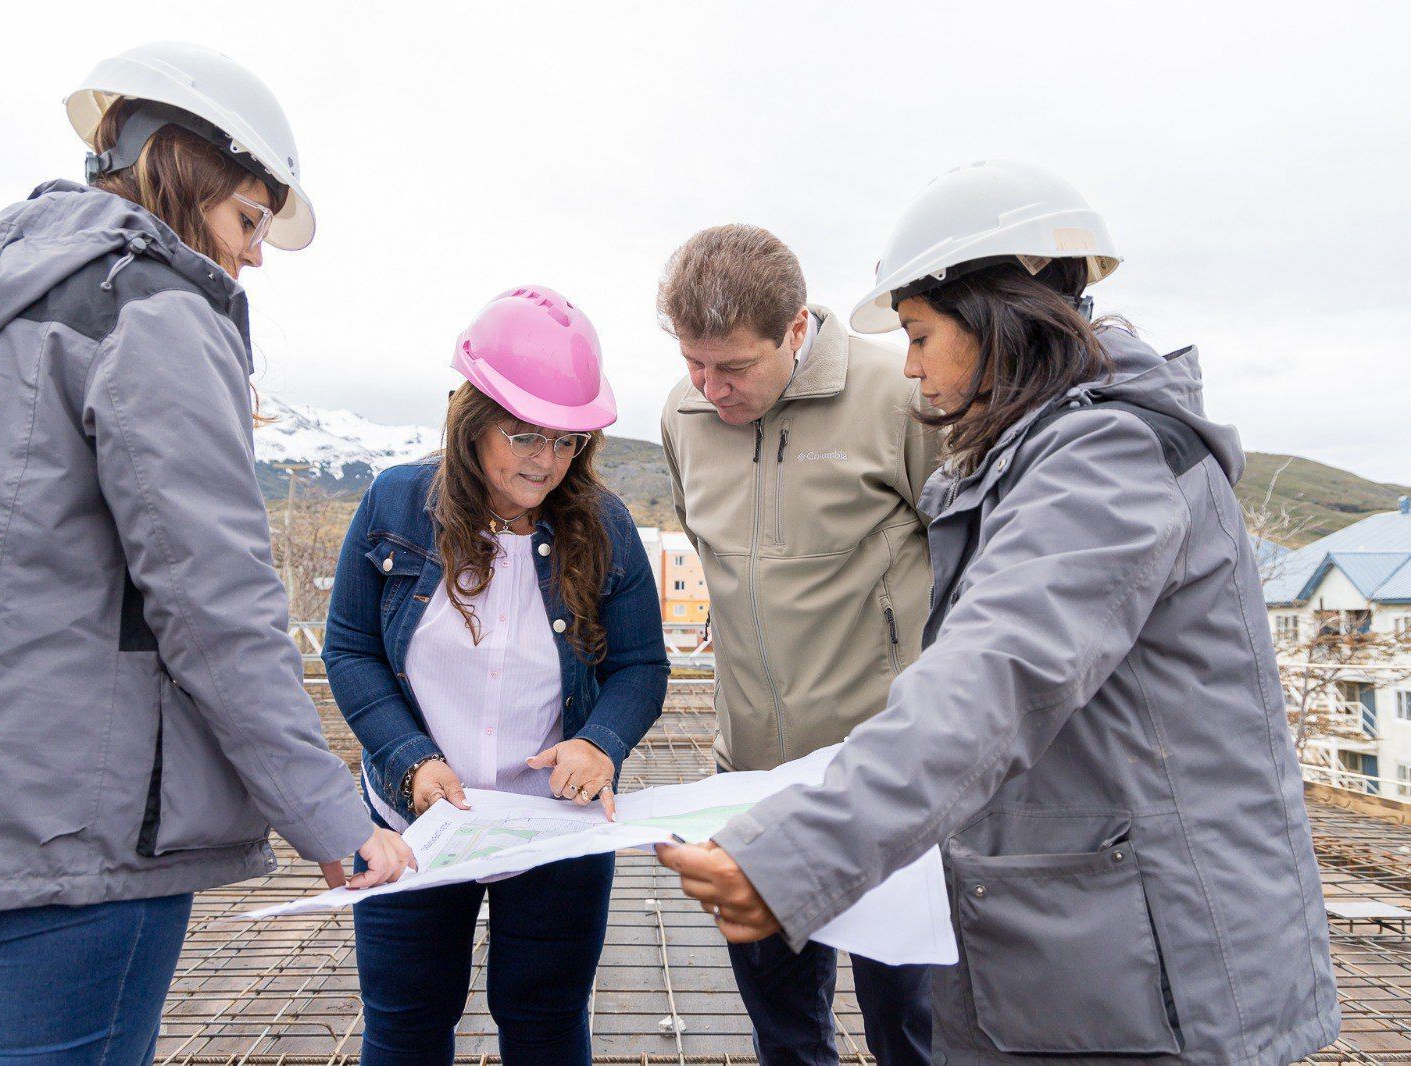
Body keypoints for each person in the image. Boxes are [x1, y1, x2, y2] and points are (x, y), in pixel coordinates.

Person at [659, 160, 1341, 1062]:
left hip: (1159, 961)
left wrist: (798, 856)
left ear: (995, 323)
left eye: (917, 334)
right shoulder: (1042, 454)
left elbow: (997, 674)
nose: (906, 367)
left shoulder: (1105, 457)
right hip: (1085, 933)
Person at [0, 42, 412, 1063]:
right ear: (182, 169)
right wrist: (331, 814)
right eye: (247, 219)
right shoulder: (153, 308)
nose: (253, 256)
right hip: (69, 842)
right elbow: (215, 603)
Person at [324, 285, 669, 1065]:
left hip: (549, 828)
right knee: (407, 1025)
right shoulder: (394, 505)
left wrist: (601, 743)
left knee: (545, 1024)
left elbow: (642, 665)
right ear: (472, 421)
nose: (546, 462)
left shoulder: (603, 526)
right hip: (412, 826)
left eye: (567, 441)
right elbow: (348, 648)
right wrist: (409, 759)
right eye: (524, 436)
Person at [657, 224, 940, 1065]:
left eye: (732, 368)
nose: (710, 389)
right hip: (752, 787)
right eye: (693, 363)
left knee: (912, 1032)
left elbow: (971, 567)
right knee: (785, 1032)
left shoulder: (899, 395)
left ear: (794, 330)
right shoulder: (681, 414)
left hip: (888, 784)